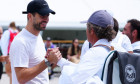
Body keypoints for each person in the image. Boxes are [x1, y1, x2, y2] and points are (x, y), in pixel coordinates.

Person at [46, 10, 116, 84]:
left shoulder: (95, 52)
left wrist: (64, 68)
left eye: (87, 27)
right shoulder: (111, 48)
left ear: (91, 31)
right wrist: (60, 61)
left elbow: (73, 79)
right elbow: (82, 70)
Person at [9, 0, 57, 84]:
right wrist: (47, 61)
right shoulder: (20, 42)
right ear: (30, 16)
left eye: (47, 15)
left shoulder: (38, 37)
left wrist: (49, 57)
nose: (46, 19)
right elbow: (21, 77)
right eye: (42, 15)